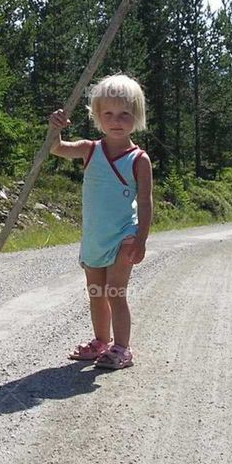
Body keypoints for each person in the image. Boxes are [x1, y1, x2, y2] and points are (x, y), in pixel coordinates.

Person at [47, 73, 152, 370]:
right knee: (96, 293)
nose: (116, 120)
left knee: (115, 292)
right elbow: (56, 148)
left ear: (137, 117)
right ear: (97, 116)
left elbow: (145, 202)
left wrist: (141, 239)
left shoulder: (138, 159)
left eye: (124, 114)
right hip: (94, 238)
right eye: (108, 113)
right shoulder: (89, 149)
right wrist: (54, 129)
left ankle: (122, 349)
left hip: (124, 236)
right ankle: (100, 342)